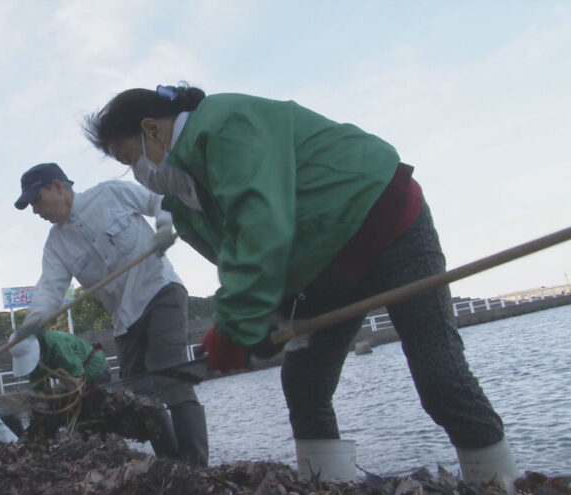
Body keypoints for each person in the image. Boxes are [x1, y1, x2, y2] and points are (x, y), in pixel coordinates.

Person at [82, 84, 519, 487]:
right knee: (305, 387)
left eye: (128, 159)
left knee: (440, 378)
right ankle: (330, 484)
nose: (136, 172)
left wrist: (234, 328)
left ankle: (501, 485)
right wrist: (268, 319)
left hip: (387, 227)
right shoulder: (183, 200)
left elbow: (261, 229)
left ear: (151, 130)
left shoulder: (224, 124)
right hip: (324, 268)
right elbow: (239, 256)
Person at [13, 162, 208, 467]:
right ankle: (172, 469)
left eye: (36, 200)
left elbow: (160, 201)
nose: (36, 211)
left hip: (159, 290)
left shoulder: (109, 194)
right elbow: (50, 290)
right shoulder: (56, 245)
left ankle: (196, 467)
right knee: (139, 394)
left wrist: (165, 227)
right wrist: (30, 325)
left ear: (58, 187)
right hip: (125, 318)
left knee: (169, 374)